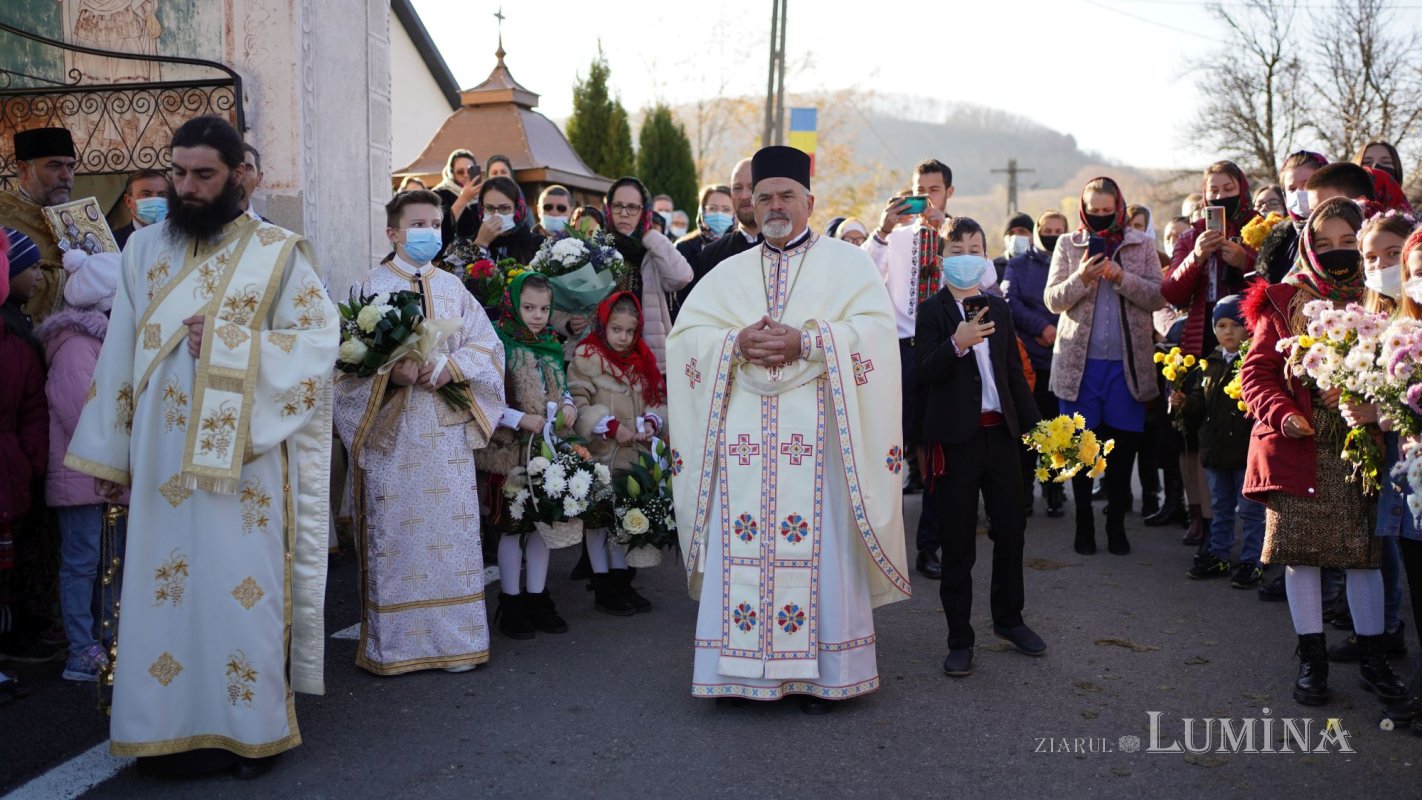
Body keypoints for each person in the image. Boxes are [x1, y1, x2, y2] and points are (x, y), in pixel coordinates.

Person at [63, 116, 338, 776]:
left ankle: (247, 733)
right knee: (164, 598)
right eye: (178, 173)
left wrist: (233, 345)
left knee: (241, 593)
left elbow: (316, 345)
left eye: (203, 175)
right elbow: (120, 358)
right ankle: (166, 735)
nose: (187, 187)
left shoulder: (279, 252)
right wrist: (110, 453)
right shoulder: (141, 252)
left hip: (242, 466)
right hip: (160, 462)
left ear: (238, 175)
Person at [668, 145, 909, 713]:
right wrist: (733, 343)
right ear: (750, 205)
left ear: (810, 201)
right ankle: (740, 672)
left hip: (822, 439)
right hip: (745, 443)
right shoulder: (725, 273)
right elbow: (684, 344)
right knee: (741, 546)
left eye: (787, 196)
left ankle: (823, 676)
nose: (776, 205)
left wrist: (811, 340)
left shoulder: (848, 267)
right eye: (764, 196)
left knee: (820, 551)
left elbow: (877, 337)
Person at [1241, 195, 1407, 708]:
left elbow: (1401, 371)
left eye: (1346, 243)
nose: (1335, 253)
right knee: (1301, 557)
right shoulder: (1285, 299)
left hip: (1362, 447)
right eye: (1322, 243)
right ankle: (1311, 661)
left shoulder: (1381, 301)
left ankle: (1374, 659)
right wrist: (1282, 413)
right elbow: (1256, 373)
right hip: (1299, 446)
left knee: (1363, 556)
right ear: (1307, 247)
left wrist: (1364, 396)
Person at [333, 189, 507, 676]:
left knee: (452, 534)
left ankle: (458, 639)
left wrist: (453, 366)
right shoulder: (366, 289)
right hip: (394, 435)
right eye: (418, 224)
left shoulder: (453, 287)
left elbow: (490, 349)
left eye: (435, 222)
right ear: (393, 233)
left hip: (444, 434)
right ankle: (399, 647)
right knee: (396, 532)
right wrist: (391, 373)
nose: (429, 231)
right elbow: (343, 371)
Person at [917, 220, 1043, 678]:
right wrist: (957, 343)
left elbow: (1012, 375)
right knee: (958, 544)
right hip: (956, 441)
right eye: (958, 248)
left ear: (986, 256)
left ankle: (1009, 620)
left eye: (975, 248)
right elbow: (922, 373)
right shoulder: (932, 311)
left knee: (1011, 532)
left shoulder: (999, 309)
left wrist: (1037, 432)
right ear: (942, 258)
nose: (967, 255)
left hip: (1001, 437)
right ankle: (959, 639)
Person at [864, 159, 993, 580]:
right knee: (889, 446)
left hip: (946, 347)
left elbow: (987, 279)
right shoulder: (896, 238)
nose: (926, 198)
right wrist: (882, 229)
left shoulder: (961, 239)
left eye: (934, 190)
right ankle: (877, 543)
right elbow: (864, 272)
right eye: (920, 189)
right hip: (899, 350)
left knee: (935, 449)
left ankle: (928, 545)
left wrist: (947, 228)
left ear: (948, 193)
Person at [1044, 177, 1165, 556]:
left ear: (1119, 208)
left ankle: (1115, 521)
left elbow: (1158, 296)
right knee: (1081, 449)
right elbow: (1052, 300)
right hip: (1078, 366)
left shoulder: (1142, 244)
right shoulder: (1067, 244)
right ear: (1083, 210)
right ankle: (1083, 520)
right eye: (1092, 211)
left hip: (1126, 366)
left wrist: (1119, 276)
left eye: (1106, 211)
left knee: (1122, 448)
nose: (1099, 218)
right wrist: (1082, 277)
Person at [35, 244, 130, 682]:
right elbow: (81, 414)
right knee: (83, 562)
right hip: (84, 474)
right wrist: (121, 450)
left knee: (108, 558)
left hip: (103, 473)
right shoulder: (77, 347)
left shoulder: (100, 340)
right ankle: (81, 648)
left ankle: (108, 637)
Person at [481, 272, 578, 639]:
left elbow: (561, 383)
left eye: (544, 309)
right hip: (510, 450)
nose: (537, 316)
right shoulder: (496, 341)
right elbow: (484, 399)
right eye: (528, 307)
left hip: (546, 449)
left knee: (542, 525)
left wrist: (567, 405)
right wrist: (520, 417)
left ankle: (538, 597)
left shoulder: (551, 341)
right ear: (512, 304)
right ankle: (511, 601)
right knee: (513, 527)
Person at [568, 291, 665, 614]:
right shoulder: (586, 356)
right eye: (616, 330)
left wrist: (652, 420)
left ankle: (621, 579)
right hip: (600, 454)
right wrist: (608, 426)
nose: (623, 338)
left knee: (624, 519)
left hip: (633, 457)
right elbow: (578, 401)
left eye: (629, 331)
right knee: (599, 521)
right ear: (603, 325)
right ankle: (602, 584)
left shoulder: (642, 358)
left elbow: (656, 396)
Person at [1180, 295, 1265, 587]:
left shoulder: (1254, 360)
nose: (1228, 331)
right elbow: (1199, 404)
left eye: (1236, 324)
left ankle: (1253, 560)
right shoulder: (1210, 363)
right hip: (1216, 451)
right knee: (1220, 507)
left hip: (1246, 453)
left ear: (1249, 327)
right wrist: (1184, 403)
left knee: (1252, 511)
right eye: (1221, 325)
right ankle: (1218, 554)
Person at [0, 229, 50, 687]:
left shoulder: (19, 329)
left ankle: (17, 637)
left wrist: (29, 457)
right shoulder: (11, 333)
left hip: (14, 465)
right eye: (30, 267)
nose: (39, 276)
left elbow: (33, 406)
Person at [1005, 210, 1068, 518]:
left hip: (1061, 357)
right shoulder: (1017, 265)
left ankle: (1055, 488)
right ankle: (1025, 490)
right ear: (1037, 232)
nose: (1053, 234)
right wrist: (1042, 329)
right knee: (1027, 430)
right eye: (1047, 229)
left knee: (1057, 429)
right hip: (1027, 358)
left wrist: (1057, 331)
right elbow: (1010, 302)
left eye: (1059, 229)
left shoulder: (1071, 262)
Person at [1163, 161, 1260, 359]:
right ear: (1204, 195)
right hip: (1201, 333)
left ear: (1241, 191)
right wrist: (1196, 258)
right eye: (1213, 190)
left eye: (1228, 189)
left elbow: (1274, 283)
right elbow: (1171, 293)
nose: (1220, 196)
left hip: (1248, 329)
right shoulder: (1190, 237)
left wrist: (1245, 262)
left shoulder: (1259, 229)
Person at [603, 177, 693, 371]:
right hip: (604, 354)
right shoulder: (597, 247)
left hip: (648, 353)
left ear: (645, 211)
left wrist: (649, 234)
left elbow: (681, 277)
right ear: (609, 208)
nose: (624, 214)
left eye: (633, 207)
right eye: (618, 206)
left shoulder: (653, 248)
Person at [0, 127, 78, 321]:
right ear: (24, 170)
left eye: (70, 167)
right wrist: (82, 278)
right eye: (54, 166)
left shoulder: (79, 216)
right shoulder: (3, 214)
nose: (65, 176)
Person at [1257, 151, 1330, 284]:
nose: (1299, 193)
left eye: (1308, 184)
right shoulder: (1282, 238)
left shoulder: (1342, 229)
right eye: (1292, 188)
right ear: (1284, 195)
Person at [673, 184, 734, 311]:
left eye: (726, 210)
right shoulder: (683, 248)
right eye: (712, 208)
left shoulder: (741, 247)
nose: (719, 214)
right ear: (702, 211)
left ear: (734, 214)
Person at [698, 158, 762, 272]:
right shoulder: (711, 255)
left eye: (752, 187)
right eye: (737, 188)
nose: (744, 196)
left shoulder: (786, 250)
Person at [469, 177, 545, 266]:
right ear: (481, 209)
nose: (496, 214)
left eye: (504, 208)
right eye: (489, 208)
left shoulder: (539, 245)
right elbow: (455, 274)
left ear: (517, 210)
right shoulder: (466, 244)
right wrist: (480, 244)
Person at [431, 149, 481, 253]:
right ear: (451, 173)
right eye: (460, 172)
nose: (466, 175)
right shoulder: (439, 194)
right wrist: (464, 198)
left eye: (470, 170)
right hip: (450, 257)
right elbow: (439, 227)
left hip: (478, 254)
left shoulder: (481, 196)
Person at [113, 169, 170, 250]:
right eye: (146, 194)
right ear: (128, 201)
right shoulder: (114, 241)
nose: (155, 200)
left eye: (162, 195)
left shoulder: (180, 240)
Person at [994, 212, 1034, 285]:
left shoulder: (1040, 266)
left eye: (1022, 231)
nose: (1015, 236)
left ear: (1033, 236)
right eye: (1011, 233)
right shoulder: (994, 268)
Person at [239, 143, 268, 222]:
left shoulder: (268, 231)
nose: (240, 174)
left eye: (248, 168)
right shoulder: (203, 227)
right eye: (233, 166)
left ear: (259, 178)